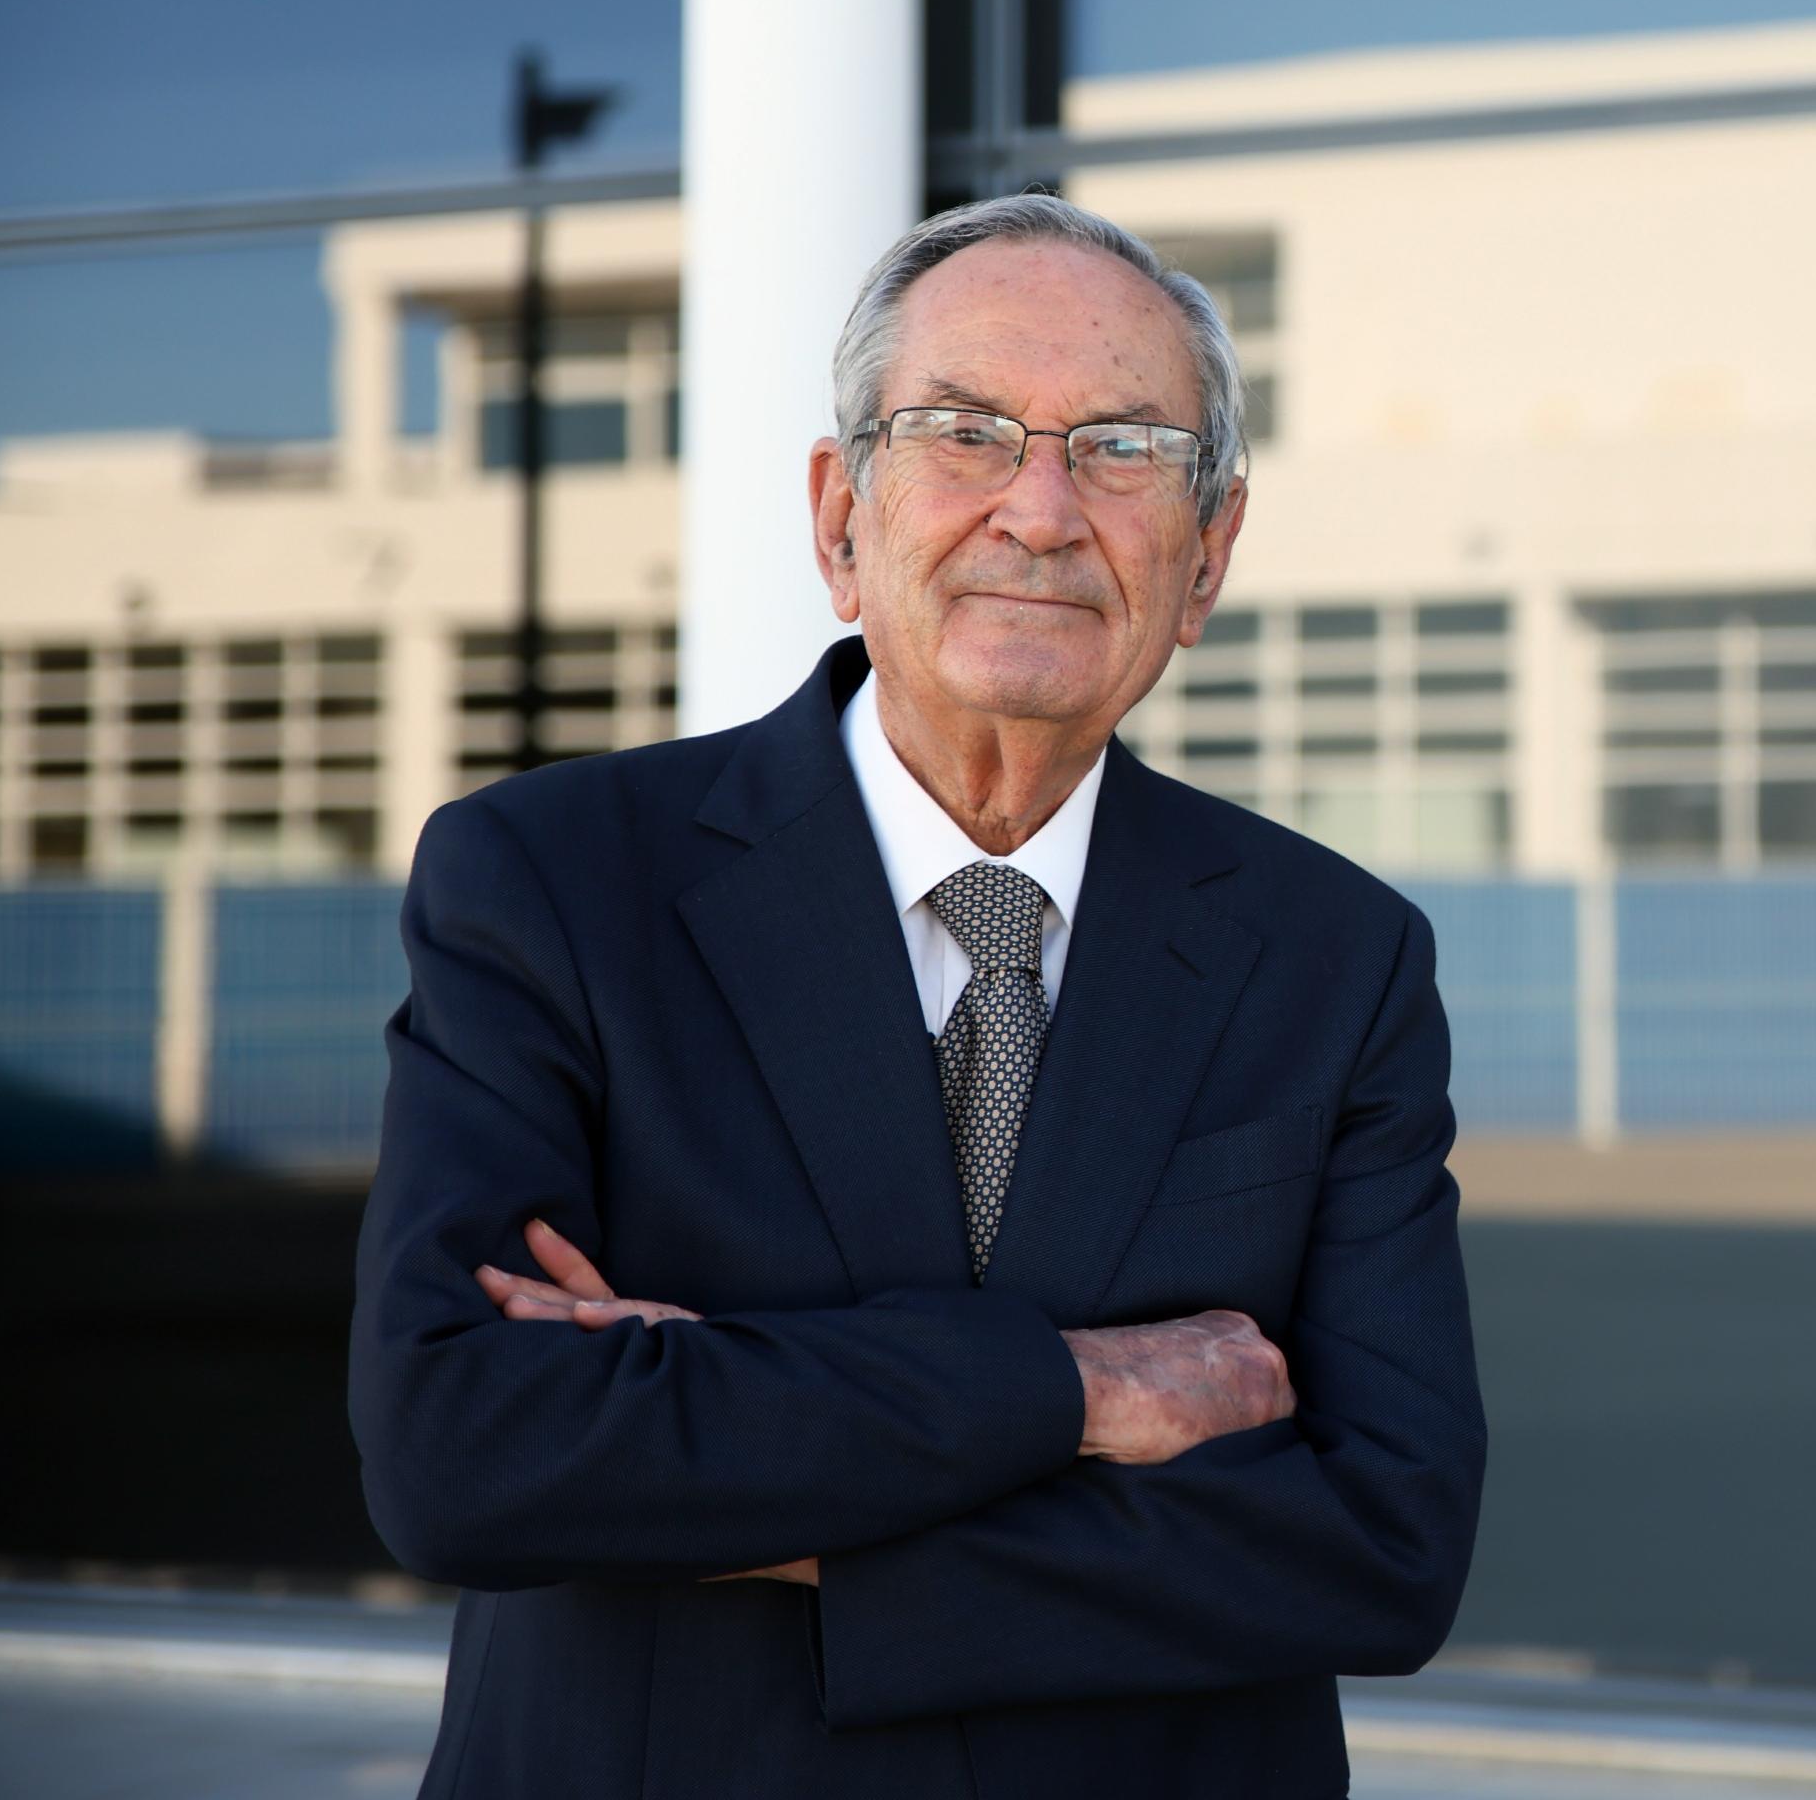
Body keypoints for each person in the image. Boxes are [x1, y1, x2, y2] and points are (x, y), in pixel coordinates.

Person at [349, 194, 1483, 1796]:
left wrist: (745, 1477)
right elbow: (466, 1449)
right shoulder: (551, 882)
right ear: (840, 519)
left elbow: (1385, 1543)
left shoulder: (1335, 957)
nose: (1042, 510)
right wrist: (1079, 1391)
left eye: (1125, 449)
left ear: (1209, 554)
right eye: (967, 433)